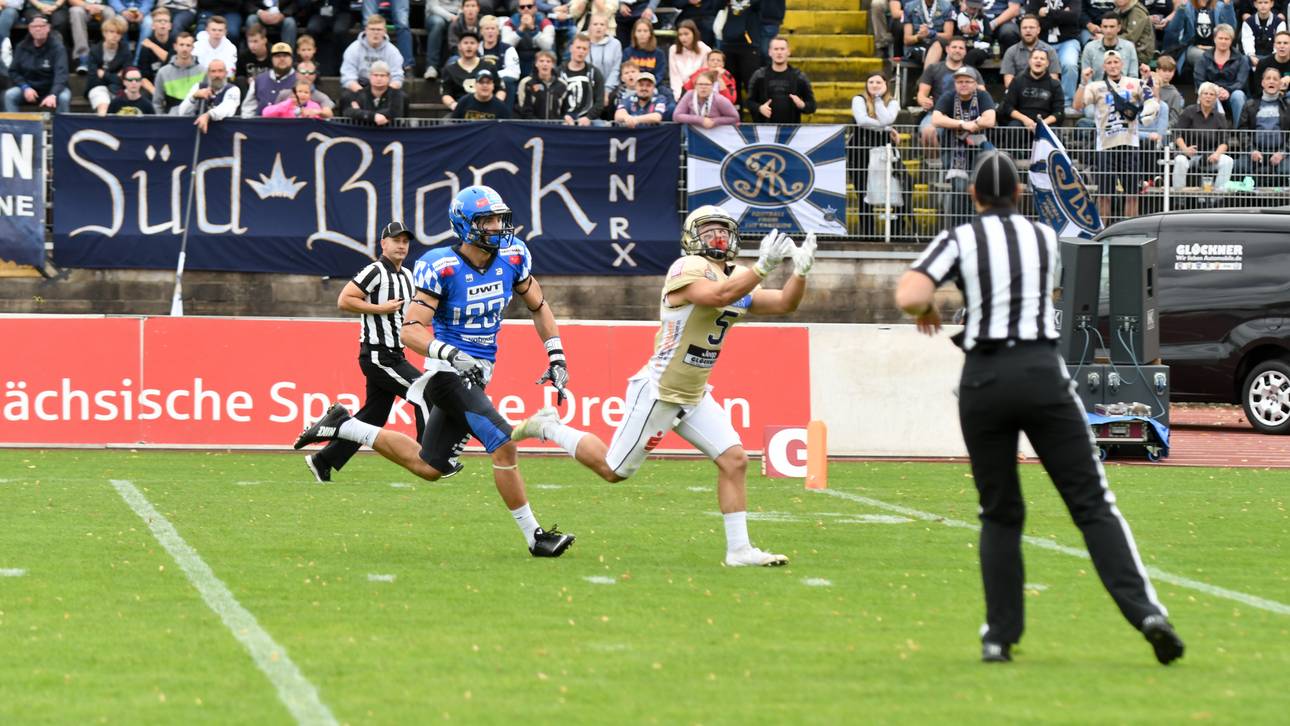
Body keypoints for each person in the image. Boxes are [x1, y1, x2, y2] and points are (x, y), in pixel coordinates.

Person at [893, 150, 1186, 667]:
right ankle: (1146, 615)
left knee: (999, 512)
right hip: (1041, 372)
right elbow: (1046, 289)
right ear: (1021, 194)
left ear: (973, 195)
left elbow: (909, 293)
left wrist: (928, 308)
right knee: (1092, 504)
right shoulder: (1045, 238)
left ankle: (998, 636)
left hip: (983, 378)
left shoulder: (960, 237)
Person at [509, 207, 815, 568]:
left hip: (695, 393)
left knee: (734, 460)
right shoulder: (686, 269)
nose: (717, 237)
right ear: (691, 236)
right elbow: (716, 297)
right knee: (613, 470)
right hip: (660, 391)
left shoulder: (736, 275)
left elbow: (783, 303)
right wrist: (762, 268)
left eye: (723, 230)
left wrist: (801, 271)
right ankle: (549, 427)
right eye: (709, 230)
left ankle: (739, 551)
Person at [293, 185, 578, 560]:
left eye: (498, 218)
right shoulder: (440, 264)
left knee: (429, 467)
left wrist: (556, 356)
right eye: (487, 220)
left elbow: (538, 305)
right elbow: (411, 329)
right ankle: (535, 537)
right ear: (466, 225)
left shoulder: (513, 255)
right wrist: (453, 355)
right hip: (448, 373)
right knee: (504, 443)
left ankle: (343, 425)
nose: (497, 226)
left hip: (479, 371)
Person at [304, 222, 424, 484]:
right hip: (379, 355)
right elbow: (344, 300)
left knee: (373, 416)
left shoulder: (408, 275)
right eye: (396, 240)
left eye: (405, 241)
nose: (401, 245)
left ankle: (322, 460)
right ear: (384, 244)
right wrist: (382, 309)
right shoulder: (375, 271)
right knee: (425, 393)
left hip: (394, 354)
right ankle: (429, 457)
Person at [1074, 49, 1157, 218]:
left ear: (1122, 64)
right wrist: (1083, 82)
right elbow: (1077, 106)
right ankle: (1104, 231)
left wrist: (1148, 79)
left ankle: (1130, 231)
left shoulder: (1135, 83)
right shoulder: (1095, 86)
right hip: (1105, 146)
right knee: (1104, 194)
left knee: (1132, 194)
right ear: (1104, 66)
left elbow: (1153, 101)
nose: (1113, 66)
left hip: (1130, 144)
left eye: (1116, 62)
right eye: (1109, 63)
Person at [931, 66, 997, 226]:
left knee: (977, 188)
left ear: (975, 84)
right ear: (955, 84)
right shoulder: (948, 97)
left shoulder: (983, 96)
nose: (964, 84)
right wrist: (962, 124)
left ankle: (978, 225)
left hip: (977, 149)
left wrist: (973, 125)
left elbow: (990, 120)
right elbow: (936, 119)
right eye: (960, 81)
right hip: (952, 150)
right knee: (959, 188)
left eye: (968, 81)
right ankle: (960, 226)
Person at [852, 72, 904, 221]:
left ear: (886, 85)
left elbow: (888, 119)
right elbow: (862, 120)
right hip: (860, 150)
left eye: (878, 82)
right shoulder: (858, 99)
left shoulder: (893, 102)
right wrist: (887, 128)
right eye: (871, 82)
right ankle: (867, 233)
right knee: (863, 190)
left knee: (895, 188)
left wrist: (878, 100)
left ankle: (896, 232)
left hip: (885, 150)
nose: (874, 85)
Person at [1172, 81, 1235, 192]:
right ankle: (1179, 197)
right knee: (1180, 160)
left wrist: (1217, 154)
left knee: (1228, 161)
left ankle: (1217, 197)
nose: (1208, 97)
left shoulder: (1220, 117)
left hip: (1209, 157)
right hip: (1189, 155)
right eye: (1205, 94)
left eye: (1212, 94)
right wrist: (1185, 149)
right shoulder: (1189, 111)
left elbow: (1224, 142)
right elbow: (1177, 133)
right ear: (1200, 96)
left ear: (1216, 98)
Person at [2, 16, 71, 113]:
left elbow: (61, 74)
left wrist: (53, 94)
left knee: (64, 97)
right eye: (35, 26)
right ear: (30, 29)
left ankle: (62, 127)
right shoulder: (21, 47)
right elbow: (13, 71)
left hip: (52, 88)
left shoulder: (58, 48)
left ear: (48, 28)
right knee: (10, 95)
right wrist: (25, 87)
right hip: (29, 89)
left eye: (42, 26)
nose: (38, 29)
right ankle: (15, 127)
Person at [1235, 65, 1290, 182]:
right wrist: (1251, 150)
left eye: (1275, 79)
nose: (1271, 81)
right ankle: (1247, 200)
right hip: (1255, 150)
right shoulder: (1250, 105)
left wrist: (1283, 152)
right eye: (1268, 78)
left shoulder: (1287, 106)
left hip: (1281, 151)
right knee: (1240, 167)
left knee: (1285, 170)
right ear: (1262, 83)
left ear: (1280, 84)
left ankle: (1281, 200)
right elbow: (1242, 130)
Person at [1000, 46, 1063, 144]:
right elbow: (1008, 107)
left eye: (1042, 59)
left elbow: (1059, 112)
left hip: (1045, 122)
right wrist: (1026, 120)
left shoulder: (1055, 84)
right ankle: (1015, 157)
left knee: (1054, 131)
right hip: (1022, 122)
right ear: (1029, 61)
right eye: (1035, 58)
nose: (1038, 61)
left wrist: (1042, 124)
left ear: (1047, 64)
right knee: (1014, 127)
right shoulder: (1017, 81)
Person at [1028, 0, 1082, 112]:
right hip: (1042, 42)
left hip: (1068, 41)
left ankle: (1066, 104)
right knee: (1034, 64)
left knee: (1070, 64)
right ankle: (1041, 103)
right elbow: (1032, 22)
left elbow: (1074, 17)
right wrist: (1062, 15)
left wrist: (1047, 12)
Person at [746, 36, 815, 124]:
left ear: (788, 52)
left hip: (791, 131)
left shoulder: (799, 77)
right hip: (765, 131)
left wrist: (802, 105)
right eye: (776, 49)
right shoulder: (759, 76)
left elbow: (812, 106)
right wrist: (759, 108)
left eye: (782, 49)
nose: (779, 52)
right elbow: (749, 102)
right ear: (770, 52)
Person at [340, 13, 405, 97]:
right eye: (372, 29)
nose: (375, 33)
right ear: (366, 30)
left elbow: (397, 78)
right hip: (360, 86)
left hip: (385, 88)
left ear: (385, 31)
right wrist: (364, 95)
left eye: (379, 30)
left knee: (402, 96)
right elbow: (348, 77)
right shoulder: (353, 49)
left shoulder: (393, 51)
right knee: (346, 96)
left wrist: (384, 94)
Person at [1194, 23, 1250, 120]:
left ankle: (1239, 132)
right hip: (1211, 91)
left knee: (1238, 96)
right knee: (1207, 95)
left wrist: (1228, 91)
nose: (1223, 41)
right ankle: (1210, 133)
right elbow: (1199, 80)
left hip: (1232, 93)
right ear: (1214, 39)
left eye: (1226, 39)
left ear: (1231, 40)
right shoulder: (1204, 58)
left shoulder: (1241, 59)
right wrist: (1215, 91)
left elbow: (1241, 82)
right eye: (1220, 38)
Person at [178, 56, 241, 132]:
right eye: (213, 71)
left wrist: (208, 115)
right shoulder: (198, 87)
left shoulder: (233, 90)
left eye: (220, 71)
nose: (217, 75)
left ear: (226, 73)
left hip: (224, 133)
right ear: (208, 74)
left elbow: (227, 108)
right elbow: (182, 112)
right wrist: (194, 97)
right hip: (198, 133)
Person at [85, 15, 131, 115]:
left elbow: (126, 79)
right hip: (97, 87)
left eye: (118, 33)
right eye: (111, 32)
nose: (115, 35)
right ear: (104, 33)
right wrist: (115, 77)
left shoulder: (125, 50)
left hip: (118, 89)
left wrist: (104, 75)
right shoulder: (95, 51)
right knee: (103, 104)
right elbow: (93, 78)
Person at [1000, 13, 1058, 87]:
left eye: (1031, 27)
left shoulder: (1050, 51)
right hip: (1018, 92)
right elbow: (1008, 82)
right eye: (1024, 28)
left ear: (1038, 30)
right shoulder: (1011, 52)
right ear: (1020, 30)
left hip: (1043, 92)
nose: (1028, 30)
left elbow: (1054, 80)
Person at [152, 30, 204, 113]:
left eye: (188, 45)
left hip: (196, 120)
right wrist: (162, 122)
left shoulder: (203, 71)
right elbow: (157, 103)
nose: (184, 49)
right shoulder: (163, 72)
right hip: (171, 121)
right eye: (181, 45)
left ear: (193, 47)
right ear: (175, 46)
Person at [439, 30, 491, 111]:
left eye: (472, 43)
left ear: (478, 46)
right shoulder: (449, 69)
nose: (469, 46)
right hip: (460, 111)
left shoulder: (488, 66)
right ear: (459, 46)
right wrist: (454, 105)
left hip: (486, 110)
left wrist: (494, 106)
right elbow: (446, 93)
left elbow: (500, 89)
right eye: (466, 43)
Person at [560, 32, 605, 124]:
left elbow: (600, 102)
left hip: (589, 119)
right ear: (571, 48)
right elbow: (553, 101)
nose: (581, 51)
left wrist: (589, 117)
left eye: (584, 49)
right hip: (563, 118)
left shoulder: (595, 73)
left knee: (601, 125)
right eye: (578, 47)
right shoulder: (559, 72)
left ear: (588, 51)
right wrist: (563, 116)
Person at [241, 39, 294, 116]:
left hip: (291, 125)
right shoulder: (258, 79)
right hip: (261, 125)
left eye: (285, 56)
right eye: (277, 56)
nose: (282, 59)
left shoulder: (300, 80)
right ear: (272, 59)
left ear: (291, 58)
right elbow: (248, 108)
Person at [343, 59, 405, 123]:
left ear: (389, 77)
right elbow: (348, 112)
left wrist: (362, 113)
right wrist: (374, 116)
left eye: (382, 75)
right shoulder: (360, 93)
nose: (379, 78)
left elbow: (394, 112)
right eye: (375, 75)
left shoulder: (397, 94)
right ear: (370, 76)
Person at [502, 0, 554, 77]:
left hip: (538, 58)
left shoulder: (544, 21)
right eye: (522, 7)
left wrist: (533, 29)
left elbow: (547, 46)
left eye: (529, 6)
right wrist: (520, 30)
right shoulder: (510, 22)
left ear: (535, 8)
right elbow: (505, 45)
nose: (526, 9)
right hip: (518, 58)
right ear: (519, 10)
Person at [672, 69, 738, 126]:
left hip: (716, 134)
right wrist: (701, 120)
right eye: (700, 84)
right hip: (693, 133)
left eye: (707, 84)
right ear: (695, 86)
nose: (703, 87)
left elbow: (735, 118)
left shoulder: (719, 99)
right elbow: (676, 116)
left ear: (712, 86)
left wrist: (715, 121)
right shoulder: (689, 95)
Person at [478, 14, 519, 104]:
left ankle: (505, 116)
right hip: (478, 83)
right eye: (487, 29)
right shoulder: (476, 48)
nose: (490, 31)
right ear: (481, 31)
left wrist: (491, 76)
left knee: (508, 83)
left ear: (498, 31)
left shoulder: (508, 49)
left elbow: (515, 73)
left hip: (500, 84)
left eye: (493, 29)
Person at [517, 48, 567, 118]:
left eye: (548, 61)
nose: (545, 64)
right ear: (536, 64)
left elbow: (565, 111)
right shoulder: (526, 83)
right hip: (533, 126)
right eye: (541, 61)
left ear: (553, 65)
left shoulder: (562, 84)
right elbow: (523, 109)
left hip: (555, 126)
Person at [904, 0, 955, 67]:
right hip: (918, 45)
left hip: (940, 43)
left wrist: (930, 33)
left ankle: (926, 76)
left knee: (937, 44)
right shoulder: (910, 7)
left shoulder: (947, 6)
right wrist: (919, 37)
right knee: (936, 51)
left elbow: (948, 36)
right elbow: (907, 40)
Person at [69, 0, 116, 70]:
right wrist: (87, 6)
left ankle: (108, 57)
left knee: (110, 13)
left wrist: (100, 7)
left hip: (102, 7)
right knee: (76, 11)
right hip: (82, 6)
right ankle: (82, 57)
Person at [136, 8, 175, 92]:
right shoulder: (146, 46)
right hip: (153, 85)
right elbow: (143, 77)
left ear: (170, 26)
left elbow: (172, 60)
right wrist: (155, 92)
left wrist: (152, 46)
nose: (162, 23)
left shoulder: (176, 42)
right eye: (159, 21)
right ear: (153, 26)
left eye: (165, 21)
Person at [587, 12, 620, 109]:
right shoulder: (583, 42)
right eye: (595, 24)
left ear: (607, 27)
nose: (599, 27)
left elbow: (616, 69)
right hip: (587, 89)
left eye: (602, 24)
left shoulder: (615, 44)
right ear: (590, 26)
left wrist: (606, 91)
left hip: (609, 90)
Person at [667, 18, 707, 98]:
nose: (683, 38)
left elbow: (704, 75)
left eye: (686, 34)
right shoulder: (673, 49)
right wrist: (678, 96)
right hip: (679, 92)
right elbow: (674, 76)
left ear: (694, 34)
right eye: (680, 35)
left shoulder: (705, 49)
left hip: (698, 91)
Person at [622, 16, 665, 87]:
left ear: (650, 34)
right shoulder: (627, 52)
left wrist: (649, 86)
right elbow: (625, 73)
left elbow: (660, 74)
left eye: (645, 31)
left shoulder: (659, 53)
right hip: (632, 86)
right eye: (639, 31)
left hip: (653, 86)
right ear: (634, 34)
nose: (642, 34)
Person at [1241, 0, 1285, 67]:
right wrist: (1252, 56)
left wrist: (1272, 59)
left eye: (1266, 2)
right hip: (1254, 58)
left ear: (1272, 4)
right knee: (1244, 60)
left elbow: (1279, 43)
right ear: (1255, 4)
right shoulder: (1248, 22)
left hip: (1273, 58)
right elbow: (1247, 41)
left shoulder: (1280, 23)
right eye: (1260, 2)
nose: (1263, 5)